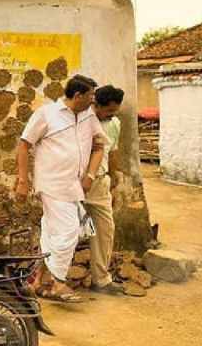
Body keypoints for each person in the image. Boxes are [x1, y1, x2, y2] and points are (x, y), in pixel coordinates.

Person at [14, 74, 107, 303]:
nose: (93, 100)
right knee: (68, 231)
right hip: (51, 184)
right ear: (78, 95)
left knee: (52, 232)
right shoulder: (46, 114)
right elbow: (24, 145)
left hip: (74, 186)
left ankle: (38, 282)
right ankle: (58, 283)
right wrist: (23, 181)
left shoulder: (88, 116)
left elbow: (99, 146)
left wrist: (90, 175)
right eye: (90, 96)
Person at [88, 85, 126, 295]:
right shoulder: (82, 120)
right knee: (64, 231)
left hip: (100, 182)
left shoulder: (114, 123)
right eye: (109, 111)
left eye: (115, 111)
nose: (112, 115)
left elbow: (113, 152)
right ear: (97, 105)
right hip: (76, 183)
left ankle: (101, 280)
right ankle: (48, 280)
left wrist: (113, 179)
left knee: (105, 230)